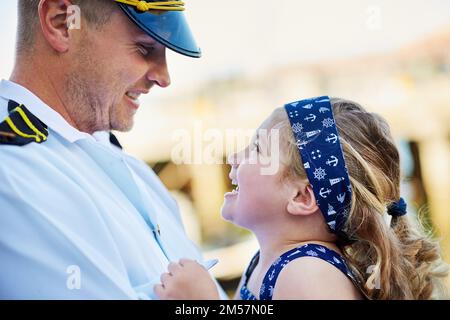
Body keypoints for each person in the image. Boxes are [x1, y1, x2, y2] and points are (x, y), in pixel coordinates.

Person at [0, 0, 226, 299]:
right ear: (61, 23)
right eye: (145, 49)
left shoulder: (135, 172)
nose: (164, 77)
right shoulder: (13, 174)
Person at [154, 97, 448, 300]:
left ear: (302, 196)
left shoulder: (308, 273)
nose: (234, 158)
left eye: (256, 150)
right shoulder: (266, 262)